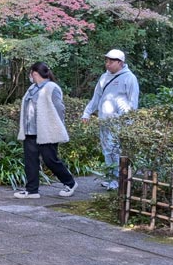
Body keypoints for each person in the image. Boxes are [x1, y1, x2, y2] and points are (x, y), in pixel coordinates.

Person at [14, 62, 77, 199]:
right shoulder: (32, 88)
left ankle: (70, 183)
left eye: (31, 73)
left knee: (50, 160)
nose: (30, 76)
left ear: (34, 73)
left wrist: (57, 128)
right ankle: (32, 190)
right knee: (30, 161)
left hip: (46, 131)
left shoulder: (52, 88)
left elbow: (59, 109)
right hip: (30, 130)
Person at [81, 48, 140, 190]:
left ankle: (117, 180)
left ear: (120, 62)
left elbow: (133, 102)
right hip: (104, 120)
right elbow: (96, 97)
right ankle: (110, 178)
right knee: (107, 150)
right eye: (106, 61)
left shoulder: (129, 78)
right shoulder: (104, 77)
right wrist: (87, 113)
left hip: (119, 122)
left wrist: (128, 121)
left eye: (111, 61)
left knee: (115, 150)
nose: (107, 64)